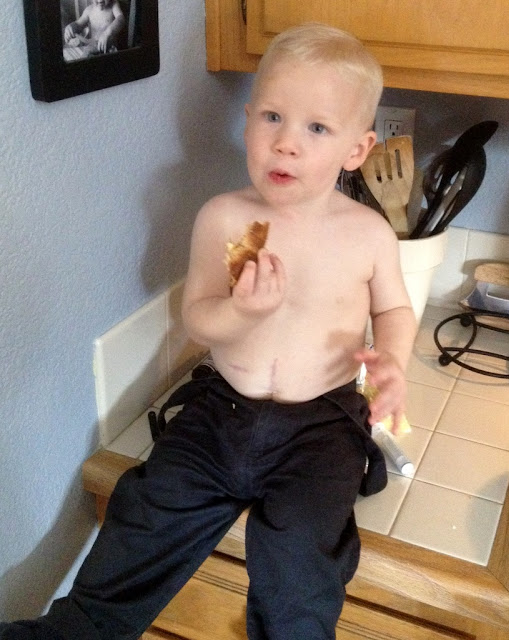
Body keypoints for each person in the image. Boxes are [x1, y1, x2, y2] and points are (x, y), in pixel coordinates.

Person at [1, 23, 416, 640]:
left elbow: (395, 310)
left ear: (357, 150)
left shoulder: (368, 233)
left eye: (317, 128)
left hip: (322, 422)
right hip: (222, 409)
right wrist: (240, 314)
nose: (286, 144)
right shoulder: (225, 217)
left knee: (303, 552)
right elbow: (196, 315)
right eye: (272, 117)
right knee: (146, 514)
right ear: (247, 121)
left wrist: (393, 363)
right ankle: (74, 631)